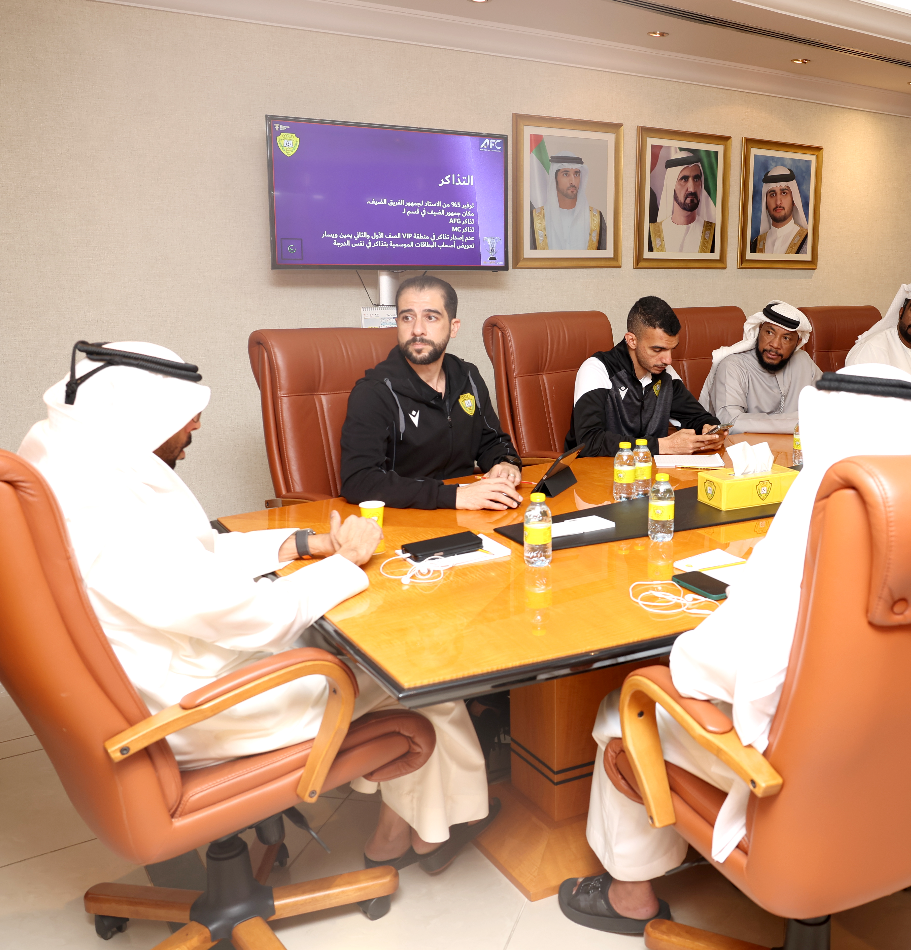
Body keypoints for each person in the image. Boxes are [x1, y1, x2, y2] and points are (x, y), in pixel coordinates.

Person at [20, 341, 497, 874]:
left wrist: (299, 544)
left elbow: (188, 556)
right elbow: (253, 617)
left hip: (160, 676)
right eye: (182, 420)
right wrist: (347, 564)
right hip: (200, 709)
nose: (193, 429)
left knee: (357, 642)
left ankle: (400, 829)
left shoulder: (69, 462)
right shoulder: (107, 505)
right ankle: (428, 835)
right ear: (138, 416)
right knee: (416, 673)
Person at [557, 364, 911, 933]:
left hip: (803, 774)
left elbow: (717, 670)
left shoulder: (826, 522)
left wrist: (731, 608)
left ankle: (631, 895)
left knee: (628, 704)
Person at [340, 275, 523, 511]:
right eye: (407, 317)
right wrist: (454, 496)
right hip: (403, 520)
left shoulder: (468, 377)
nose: (417, 329)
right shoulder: (373, 392)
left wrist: (506, 463)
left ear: (453, 327)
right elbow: (359, 481)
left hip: (468, 515)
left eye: (431, 317)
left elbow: (493, 442)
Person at [568, 296, 724, 457]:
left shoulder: (665, 372)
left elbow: (697, 418)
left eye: (672, 349)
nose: (668, 360)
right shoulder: (597, 369)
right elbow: (588, 442)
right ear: (631, 340)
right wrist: (662, 446)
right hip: (598, 474)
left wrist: (712, 431)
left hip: (650, 474)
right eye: (657, 350)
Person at [698, 300, 821, 434]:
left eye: (786, 338)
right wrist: (800, 422)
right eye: (769, 332)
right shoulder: (733, 366)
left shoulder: (803, 361)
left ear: (797, 342)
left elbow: (829, 406)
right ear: (759, 331)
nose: (775, 344)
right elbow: (730, 422)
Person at [531, 152, 608, 251]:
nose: (572, 181)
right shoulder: (535, 218)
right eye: (566, 174)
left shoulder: (596, 218)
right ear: (555, 179)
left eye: (576, 174)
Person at [648, 148, 717, 254]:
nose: (692, 188)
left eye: (696, 179)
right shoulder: (651, 236)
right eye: (684, 179)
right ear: (671, 185)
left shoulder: (714, 235)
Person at [750, 166, 809, 255]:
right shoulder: (755, 245)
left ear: (794, 200)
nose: (778, 202)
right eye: (772, 194)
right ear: (765, 203)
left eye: (784, 193)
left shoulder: (808, 242)